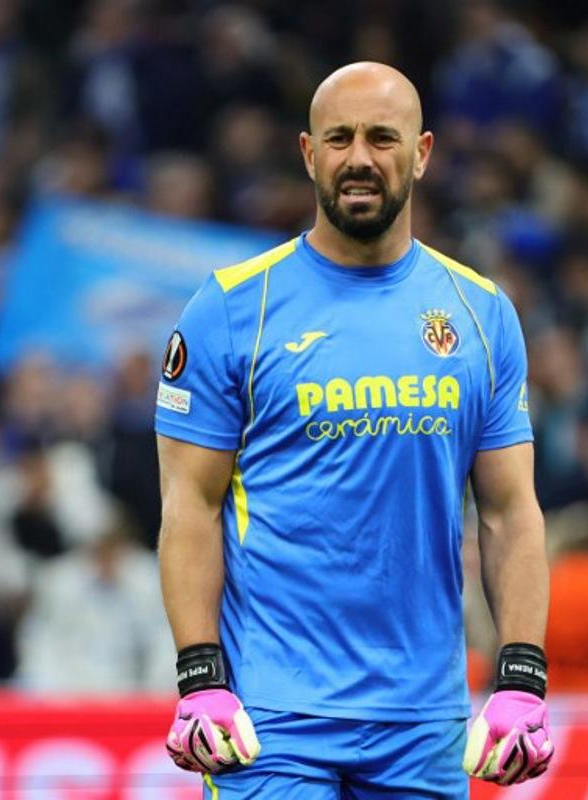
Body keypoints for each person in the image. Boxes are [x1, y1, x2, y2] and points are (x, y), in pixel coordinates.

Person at [155, 62, 553, 799]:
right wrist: (199, 674)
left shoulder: (482, 313)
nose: (360, 158)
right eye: (339, 138)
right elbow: (190, 505)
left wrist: (522, 673)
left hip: (423, 724)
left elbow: (509, 510)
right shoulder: (231, 309)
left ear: (423, 152)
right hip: (270, 724)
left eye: (382, 137)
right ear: (309, 154)